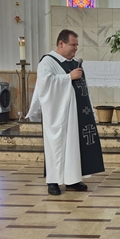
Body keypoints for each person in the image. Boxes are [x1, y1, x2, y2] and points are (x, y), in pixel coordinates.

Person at [26, 29, 105, 195]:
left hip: (76, 113)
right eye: (73, 45)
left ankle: (73, 179)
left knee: (74, 146)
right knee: (57, 145)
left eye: (77, 45)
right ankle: (53, 181)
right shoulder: (47, 62)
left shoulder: (75, 62)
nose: (76, 49)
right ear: (61, 44)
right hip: (58, 115)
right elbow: (45, 85)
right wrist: (68, 77)